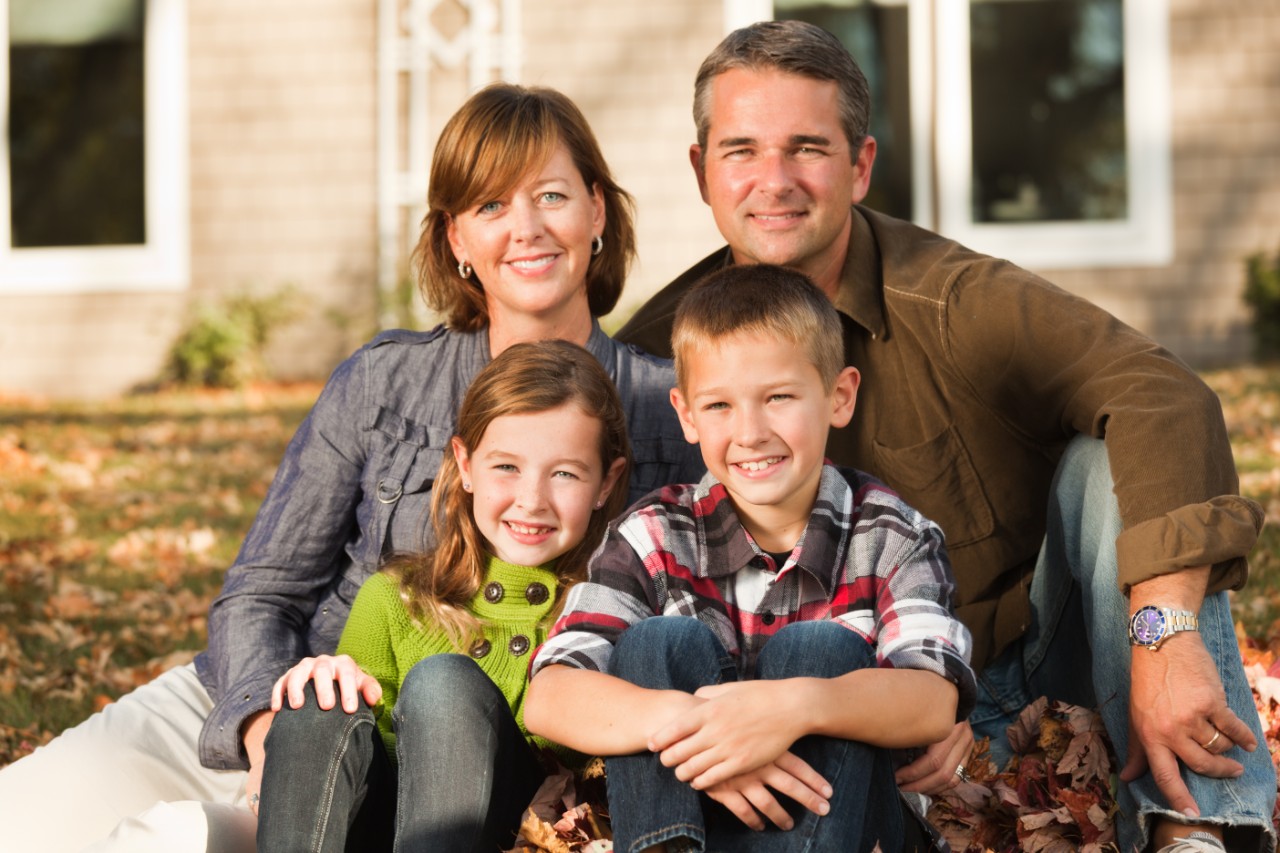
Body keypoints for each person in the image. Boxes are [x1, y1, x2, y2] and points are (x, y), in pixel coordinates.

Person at [614, 20, 1272, 853]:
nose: (772, 181)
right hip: (824, 709)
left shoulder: (952, 300)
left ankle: (1201, 823)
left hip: (1018, 674)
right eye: (741, 149)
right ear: (701, 170)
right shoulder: (658, 353)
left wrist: (1162, 631)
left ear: (860, 167)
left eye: (807, 148)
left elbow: (1162, 395)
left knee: (1108, 461)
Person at [0, 83, 703, 853]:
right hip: (273, 699)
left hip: (437, 759)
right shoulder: (383, 382)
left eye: (553, 196)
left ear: (597, 211)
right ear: (455, 239)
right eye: (491, 207)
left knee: (168, 840)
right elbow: (261, 592)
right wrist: (263, 719)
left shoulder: (664, 405)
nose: (526, 229)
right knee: (22, 818)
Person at [526, 264, 977, 852]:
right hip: (694, 824)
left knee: (819, 650)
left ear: (839, 397)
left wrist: (794, 709)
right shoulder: (652, 535)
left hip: (850, 833)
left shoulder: (891, 535)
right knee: (658, 645)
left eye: (779, 397)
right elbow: (552, 695)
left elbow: (932, 697)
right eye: (719, 406)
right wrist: (709, 733)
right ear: (686, 415)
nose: (751, 431)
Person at [256, 339, 630, 852]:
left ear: (605, 484)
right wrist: (327, 676)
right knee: (319, 698)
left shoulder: (607, 612)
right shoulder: (396, 598)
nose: (531, 499)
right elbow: (354, 748)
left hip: (512, 832)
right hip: (379, 826)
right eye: (506, 467)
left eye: (565, 473)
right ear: (466, 464)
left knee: (443, 683)